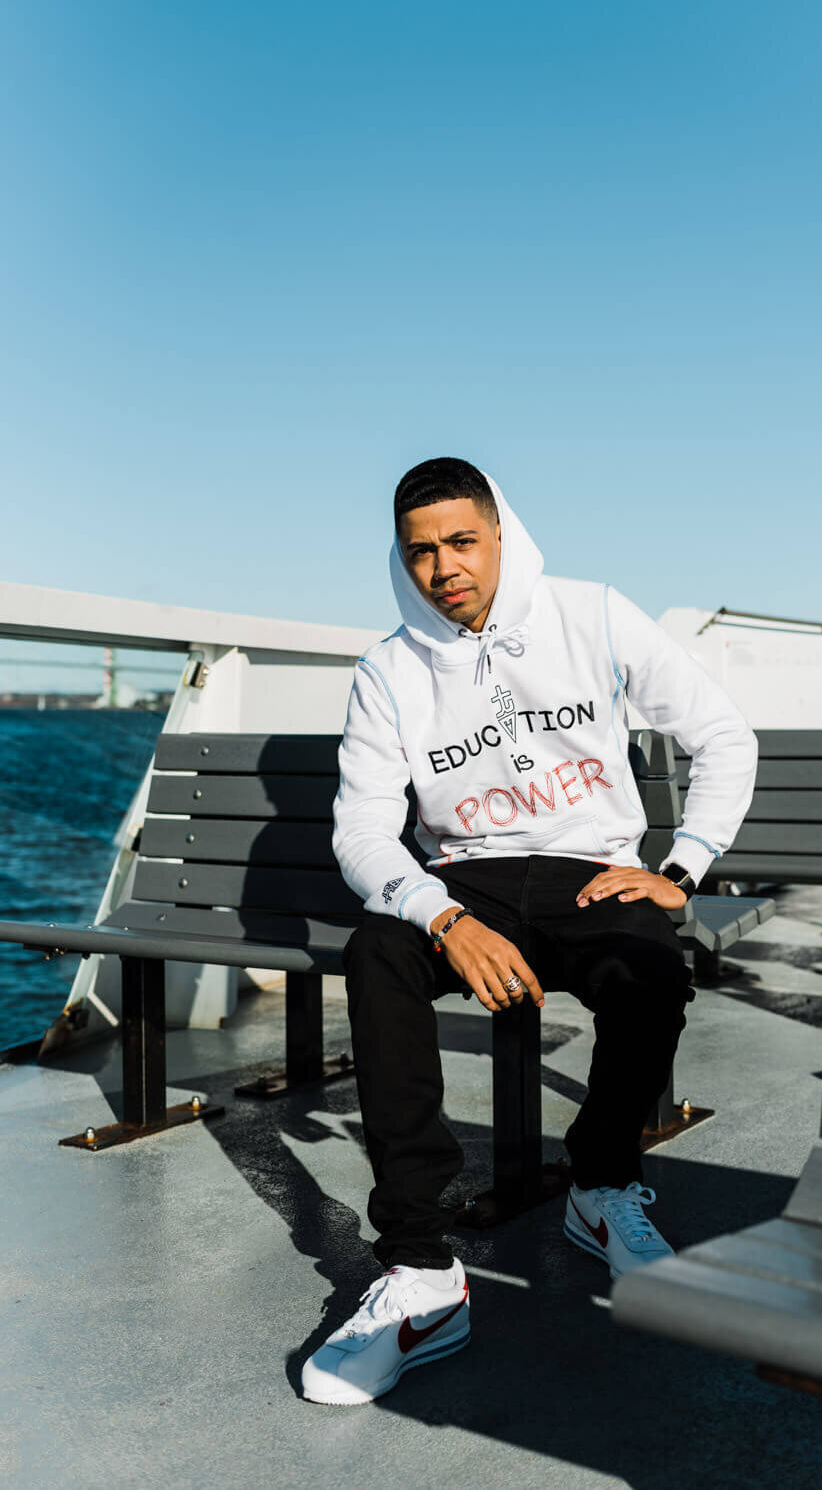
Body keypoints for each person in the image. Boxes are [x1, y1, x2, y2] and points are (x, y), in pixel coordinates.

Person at [301, 457, 757, 1406]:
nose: (443, 566)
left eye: (462, 540)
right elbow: (360, 830)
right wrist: (444, 914)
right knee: (377, 950)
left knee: (648, 965)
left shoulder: (589, 613)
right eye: (420, 549)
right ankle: (423, 1270)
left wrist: (681, 867)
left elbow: (721, 733)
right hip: (466, 882)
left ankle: (600, 1183)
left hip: (592, 874)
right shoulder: (389, 669)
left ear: (501, 532)